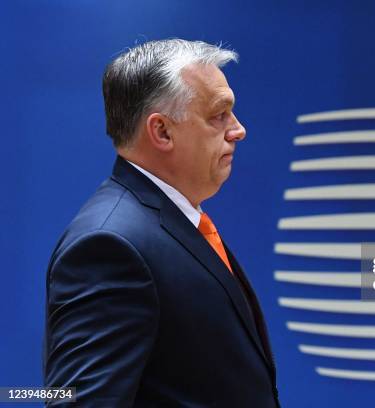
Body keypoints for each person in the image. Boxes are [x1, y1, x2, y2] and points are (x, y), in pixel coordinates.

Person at [44, 39, 279, 407]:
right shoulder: (111, 246)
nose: (238, 130)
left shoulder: (170, 222)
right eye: (219, 115)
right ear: (162, 131)